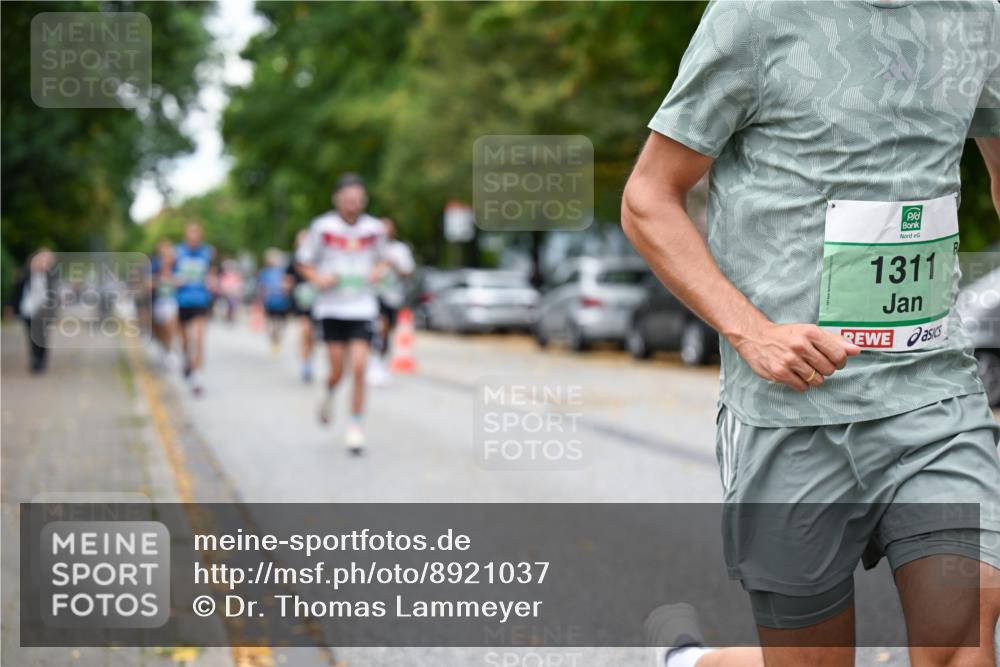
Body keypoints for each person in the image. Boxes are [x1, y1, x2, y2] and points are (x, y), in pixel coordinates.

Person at [621, 2, 1000, 666]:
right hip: (793, 412)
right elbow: (648, 197)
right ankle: (686, 660)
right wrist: (753, 333)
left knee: (963, 638)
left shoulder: (978, 15)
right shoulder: (756, 16)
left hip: (936, 396)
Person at [295, 173, 389, 455]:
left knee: (360, 367)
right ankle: (329, 392)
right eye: (347, 199)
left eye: (357, 199)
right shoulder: (322, 227)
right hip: (331, 308)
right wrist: (318, 279)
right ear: (337, 199)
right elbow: (303, 263)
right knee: (338, 370)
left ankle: (355, 427)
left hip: (362, 307)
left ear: (364, 200)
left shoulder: (374, 229)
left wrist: (377, 272)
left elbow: (385, 259)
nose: (352, 204)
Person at [368, 217, 415, 386]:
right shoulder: (370, 247)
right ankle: (373, 363)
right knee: (379, 327)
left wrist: (394, 266)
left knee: (387, 330)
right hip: (372, 295)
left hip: (393, 296)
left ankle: (381, 362)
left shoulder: (400, 249)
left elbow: (409, 272)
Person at [174, 222, 216, 396]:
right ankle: (186, 360)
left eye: (196, 232)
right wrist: (176, 280)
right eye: (190, 232)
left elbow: (211, 273)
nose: (193, 236)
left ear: (200, 235)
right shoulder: (178, 252)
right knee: (185, 341)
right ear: (186, 235)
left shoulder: (207, 252)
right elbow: (169, 273)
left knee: (198, 339)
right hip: (182, 301)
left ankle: (197, 379)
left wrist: (212, 282)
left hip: (200, 301)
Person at [12, 248, 56, 373]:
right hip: (28, 311)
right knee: (31, 337)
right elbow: (17, 292)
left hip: (43, 313)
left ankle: (41, 361)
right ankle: (35, 361)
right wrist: (11, 306)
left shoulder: (49, 276)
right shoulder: (25, 274)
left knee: (42, 337)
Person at [288, 230, 317, 383]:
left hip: (317, 300)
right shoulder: (294, 260)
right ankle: (305, 362)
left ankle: (309, 357)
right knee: (305, 330)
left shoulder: (317, 258)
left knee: (312, 334)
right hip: (300, 300)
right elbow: (288, 279)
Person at [150, 240, 180, 369]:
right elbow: (148, 284)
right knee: (160, 331)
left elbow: (181, 281)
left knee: (169, 327)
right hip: (157, 302)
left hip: (172, 302)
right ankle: (164, 350)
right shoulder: (154, 266)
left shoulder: (177, 267)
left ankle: (169, 352)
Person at [257, 248, 292, 355]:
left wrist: (286, 288)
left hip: (282, 303)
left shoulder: (284, 271)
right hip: (270, 303)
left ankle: (278, 340)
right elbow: (261, 288)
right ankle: (273, 342)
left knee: (280, 325)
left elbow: (289, 284)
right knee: (271, 325)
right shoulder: (265, 273)